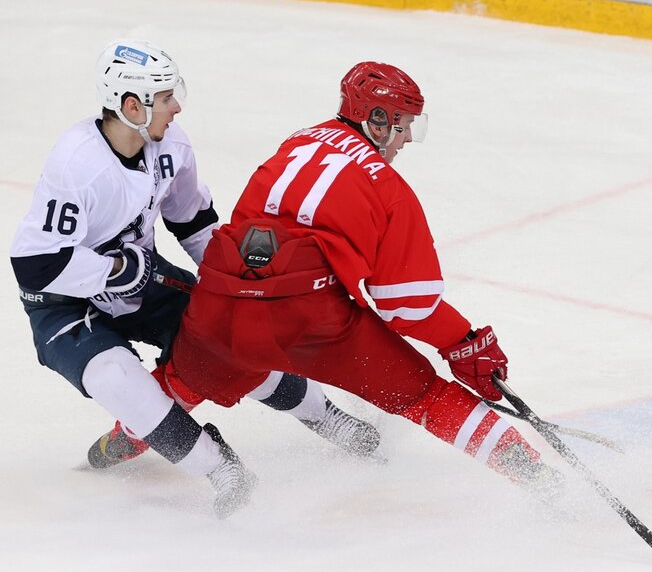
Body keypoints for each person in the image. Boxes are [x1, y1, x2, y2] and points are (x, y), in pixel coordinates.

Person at [10, 40, 377, 517]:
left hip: (142, 278)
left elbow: (194, 221)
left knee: (232, 335)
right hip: (61, 301)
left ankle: (328, 418)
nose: (176, 105)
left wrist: (236, 280)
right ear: (131, 106)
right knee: (114, 377)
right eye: (165, 97)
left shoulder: (172, 145)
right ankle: (220, 469)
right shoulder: (77, 163)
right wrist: (115, 270)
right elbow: (36, 265)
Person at [160, 61, 562, 496]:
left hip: (220, 306)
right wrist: (462, 341)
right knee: (424, 394)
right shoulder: (388, 188)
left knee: (165, 393)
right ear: (377, 120)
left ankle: (113, 447)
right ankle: (538, 477)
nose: (408, 138)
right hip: (310, 322)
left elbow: (245, 227)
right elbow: (405, 306)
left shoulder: (295, 143)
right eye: (404, 125)